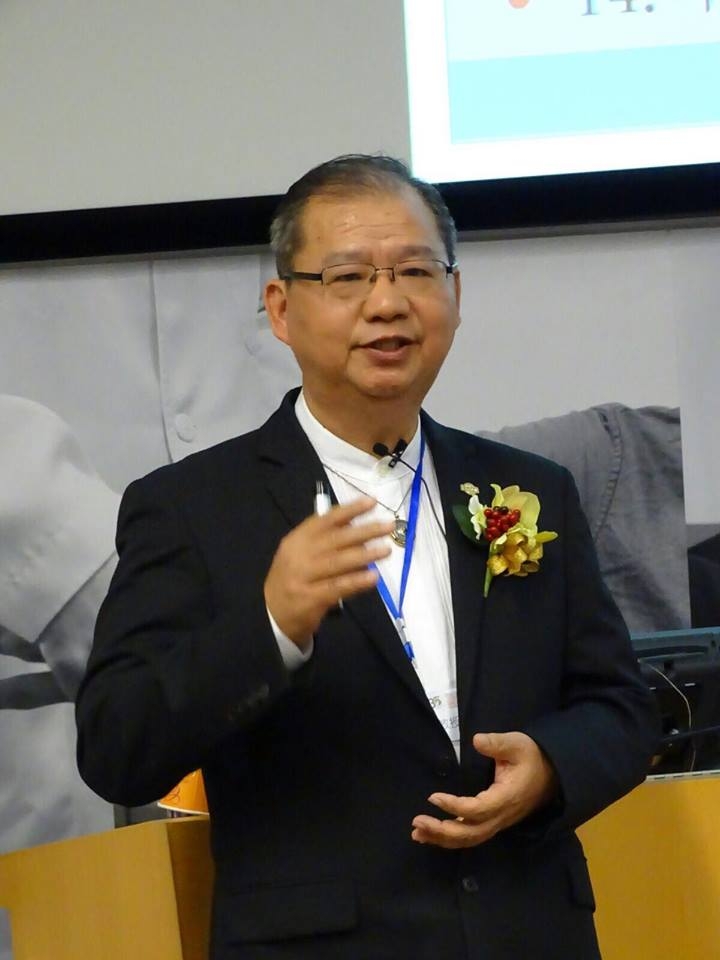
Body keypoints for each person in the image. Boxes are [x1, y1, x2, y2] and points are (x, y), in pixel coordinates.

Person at [76, 155, 658, 960]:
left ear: (455, 294)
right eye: (346, 277)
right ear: (282, 309)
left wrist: (552, 768)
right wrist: (270, 626)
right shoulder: (191, 508)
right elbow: (116, 748)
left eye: (416, 271)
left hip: (529, 934)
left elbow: (621, 708)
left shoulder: (533, 491)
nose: (387, 303)